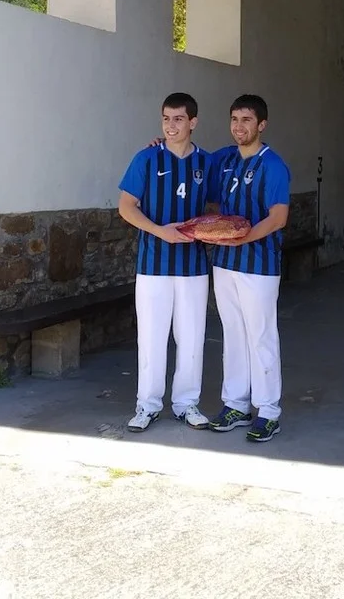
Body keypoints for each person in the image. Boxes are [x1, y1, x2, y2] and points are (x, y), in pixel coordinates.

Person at [118, 92, 212, 432]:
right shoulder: (146, 158)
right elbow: (126, 207)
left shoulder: (208, 163)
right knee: (151, 337)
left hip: (193, 266)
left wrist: (211, 230)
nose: (171, 126)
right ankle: (147, 405)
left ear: (193, 122)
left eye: (178, 119)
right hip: (153, 264)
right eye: (166, 119)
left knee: (192, 337)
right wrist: (161, 231)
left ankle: (186, 404)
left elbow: (218, 208)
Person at [202, 94, 290, 443]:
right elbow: (187, 158)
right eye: (235, 119)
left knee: (261, 336)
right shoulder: (225, 158)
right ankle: (236, 405)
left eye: (247, 120)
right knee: (233, 334)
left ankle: (268, 411)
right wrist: (160, 144)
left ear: (261, 125)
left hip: (259, 265)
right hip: (225, 263)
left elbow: (279, 217)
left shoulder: (273, 165)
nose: (239, 127)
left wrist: (243, 238)